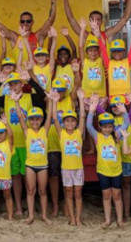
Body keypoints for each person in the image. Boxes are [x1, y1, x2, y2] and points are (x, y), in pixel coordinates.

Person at [0, 68, 46, 216]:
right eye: (11, 84)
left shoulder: (29, 97)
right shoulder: (6, 98)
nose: (14, 86)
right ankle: (19, 207)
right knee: (16, 177)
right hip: (11, 146)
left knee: (27, 177)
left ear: (21, 84)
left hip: (28, 146)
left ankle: (30, 205)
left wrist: (31, 80)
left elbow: (43, 95)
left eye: (16, 83)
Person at [87, 95, 129, 228]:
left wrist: (124, 112)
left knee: (117, 195)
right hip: (103, 171)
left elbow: (126, 124)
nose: (107, 129)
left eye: (110, 126)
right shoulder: (97, 137)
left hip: (116, 171)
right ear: (100, 127)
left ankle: (120, 220)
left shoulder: (117, 135)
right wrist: (91, 111)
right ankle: (107, 220)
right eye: (104, 127)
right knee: (106, 195)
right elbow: (88, 126)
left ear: (113, 126)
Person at [97, 94, 131, 220]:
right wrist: (97, 103)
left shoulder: (128, 118)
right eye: (113, 105)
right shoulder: (109, 120)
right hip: (114, 161)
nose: (116, 107)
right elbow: (99, 111)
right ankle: (118, 214)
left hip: (127, 157)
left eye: (119, 105)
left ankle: (126, 212)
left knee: (126, 186)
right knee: (116, 189)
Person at [13, 94, 53, 225]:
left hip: (42, 165)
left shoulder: (44, 130)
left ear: (41, 119)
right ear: (29, 120)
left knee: (42, 191)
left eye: (37, 119)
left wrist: (52, 101)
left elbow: (50, 116)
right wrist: (16, 102)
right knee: (30, 190)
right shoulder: (27, 131)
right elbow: (20, 117)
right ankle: (31, 216)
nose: (35, 122)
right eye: (32, 120)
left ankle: (44, 215)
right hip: (30, 165)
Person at [51, 88, 86, 225]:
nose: (70, 123)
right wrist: (54, 102)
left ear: (75, 122)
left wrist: (81, 100)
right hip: (66, 168)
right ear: (64, 122)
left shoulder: (78, 132)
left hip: (78, 168)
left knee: (78, 193)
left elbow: (82, 116)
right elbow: (54, 117)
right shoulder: (62, 133)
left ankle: (78, 218)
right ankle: (71, 218)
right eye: (67, 121)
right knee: (69, 193)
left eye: (72, 121)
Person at [62, 0, 131, 43]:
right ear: (89, 22)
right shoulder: (85, 36)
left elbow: (125, 18)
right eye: (93, 20)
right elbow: (71, 20)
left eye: (98, 20)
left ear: (101, 22)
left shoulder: (107, 34)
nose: (95, 22)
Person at [92, 21, 131, 98]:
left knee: (127, 109)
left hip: (126, 94)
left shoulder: (127, 62)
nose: (117, 53)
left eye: (119, 51)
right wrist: (99, 37)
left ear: (123, 52)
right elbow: (103, 50)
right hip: (113, 95)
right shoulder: (109, 63)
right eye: (114, 51)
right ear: (112, 53)